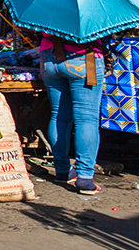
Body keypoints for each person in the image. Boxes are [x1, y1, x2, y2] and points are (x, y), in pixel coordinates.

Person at [41, 35, 104, 195]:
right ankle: (84, 176)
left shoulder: (48, 9)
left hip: (49, 58)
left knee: (59, 115)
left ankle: (63, 171)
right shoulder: (92, 9)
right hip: (84, 57)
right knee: (86, 118)